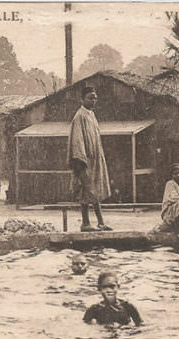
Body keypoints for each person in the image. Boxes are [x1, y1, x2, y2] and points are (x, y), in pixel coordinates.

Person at [67, 86, 112, 232]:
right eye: (90, 98)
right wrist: (80, 163)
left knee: (95, 191)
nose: (93, 101)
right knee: (86, 191)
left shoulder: (91, 115)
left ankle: (100, 222)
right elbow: (77, 141)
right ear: (82, 99)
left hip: (95, 160)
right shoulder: (79, 117)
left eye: (95, 98)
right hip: (85, 161)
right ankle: (85, 223)